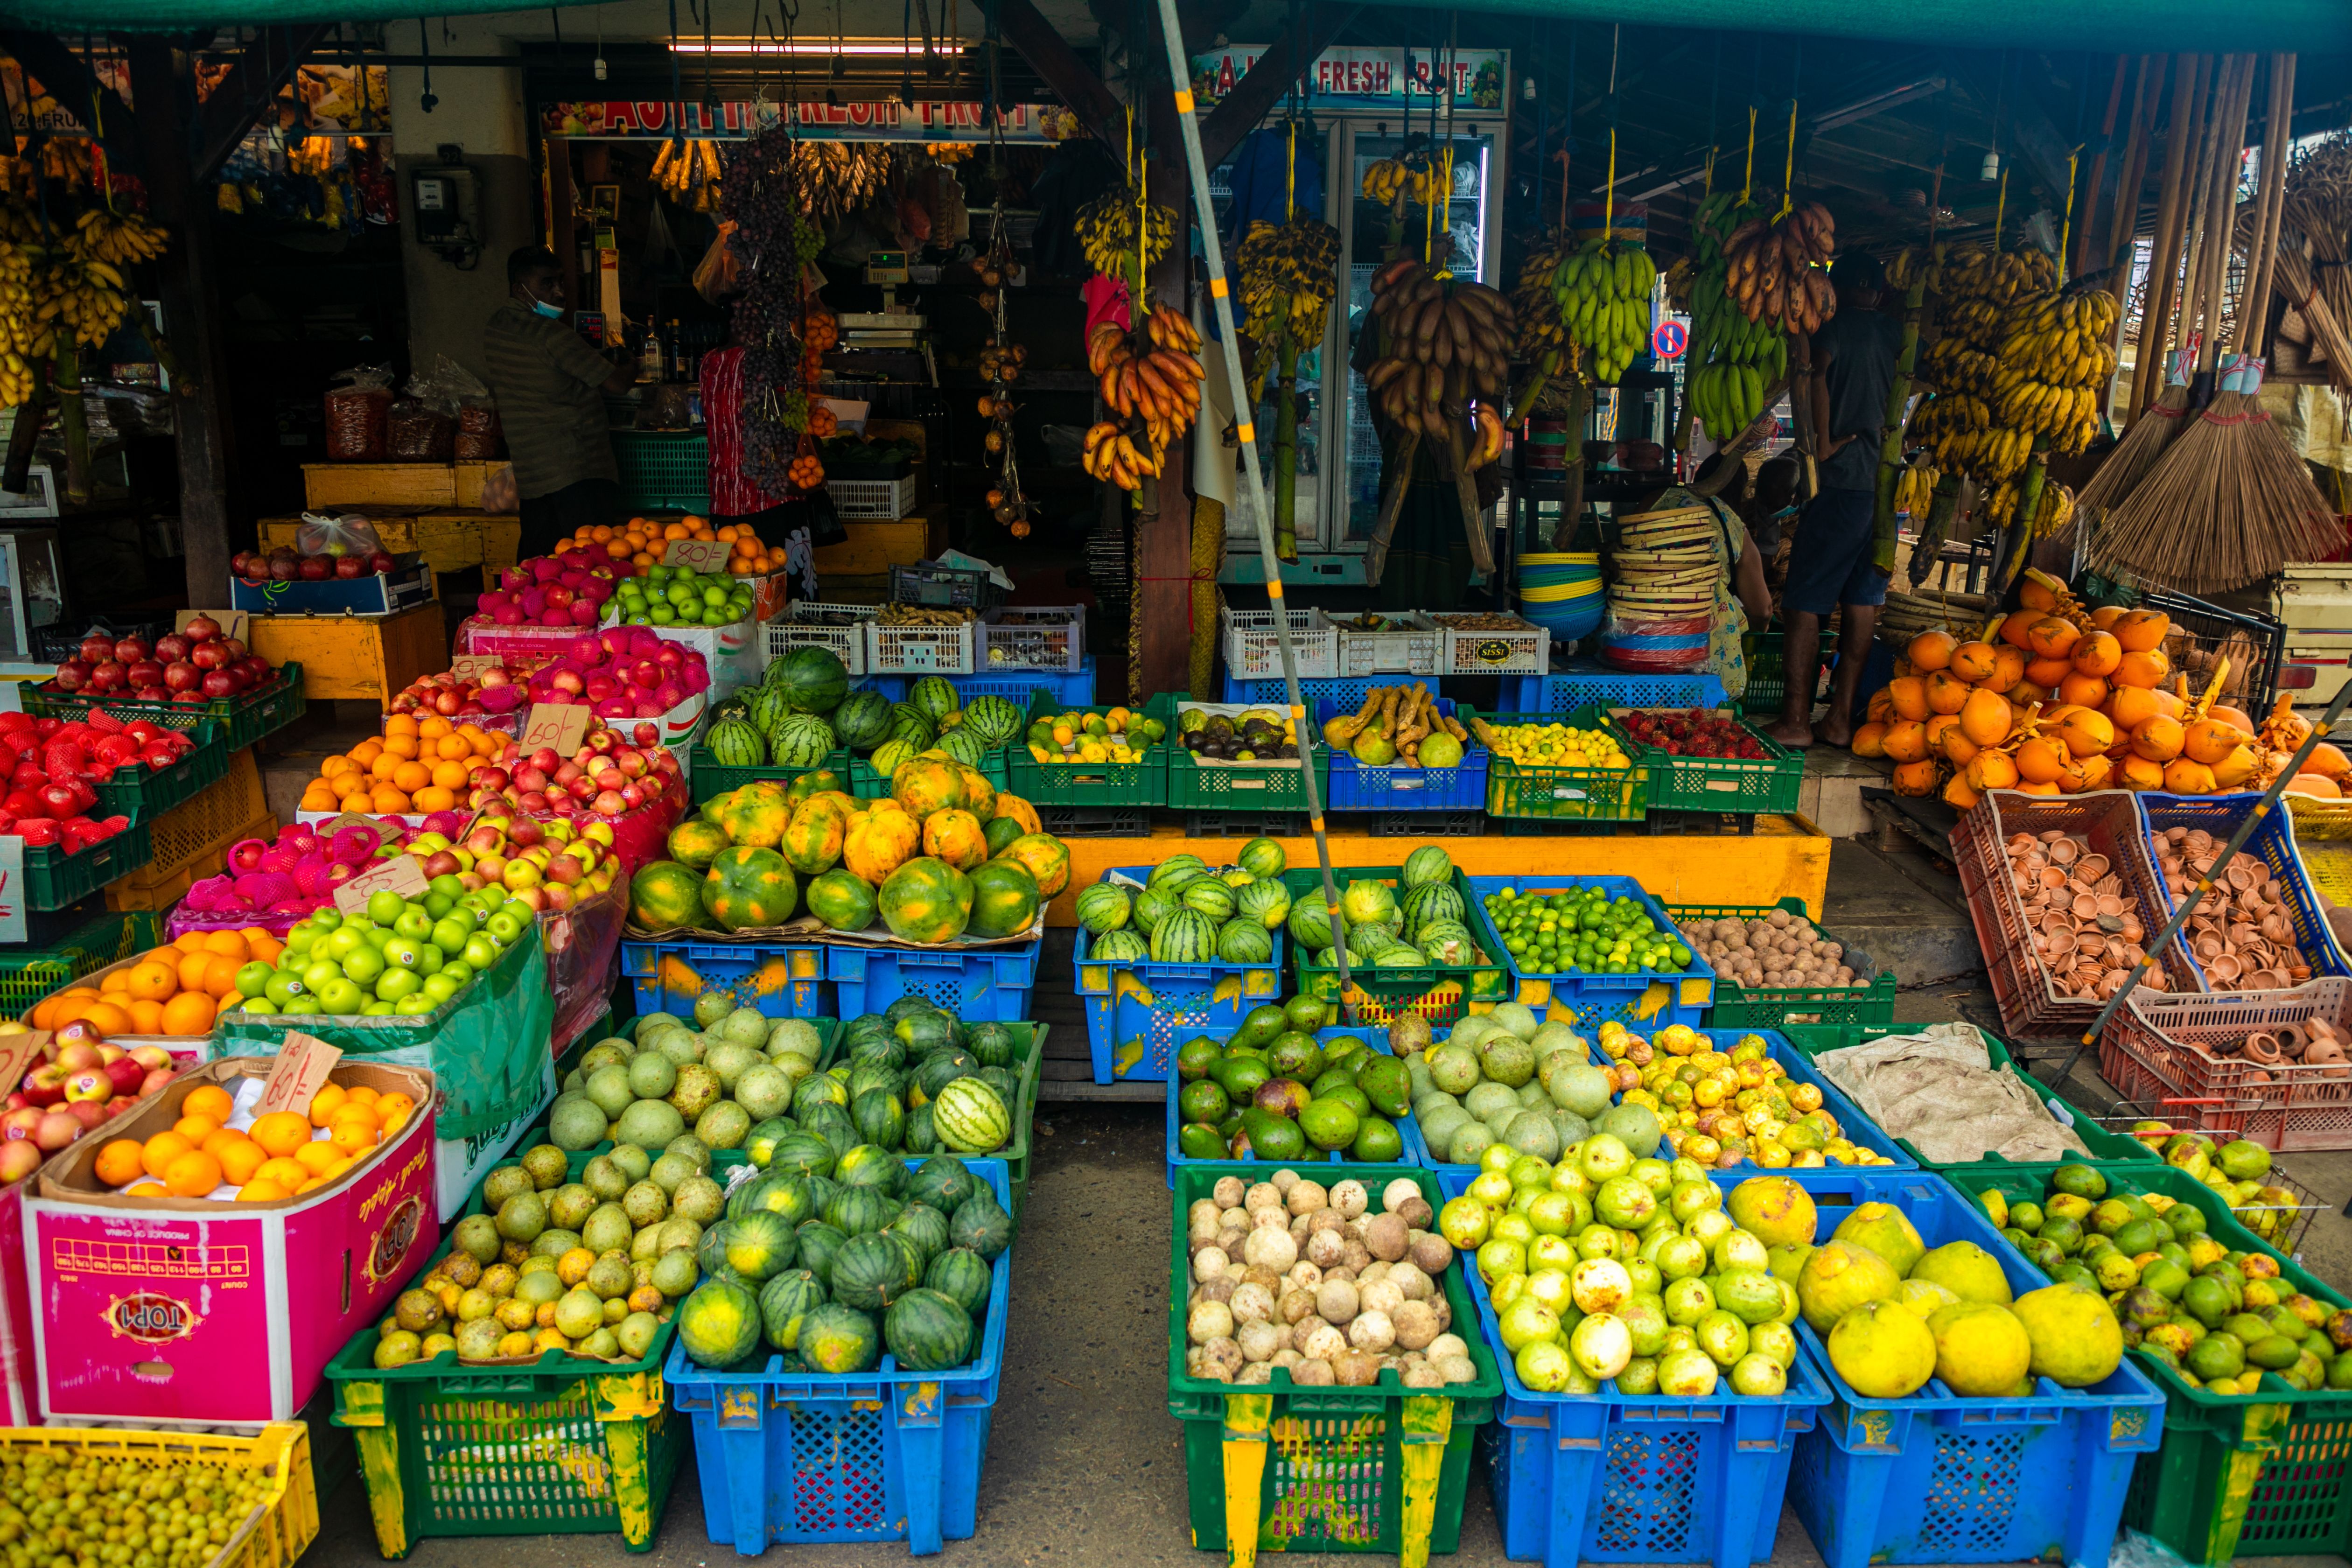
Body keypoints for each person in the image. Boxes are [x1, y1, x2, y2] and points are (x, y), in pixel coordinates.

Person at [1767, 251, 1902, 748]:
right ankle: (1841, 720)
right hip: (1884, 490)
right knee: (1863, 599)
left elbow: (1817, 372)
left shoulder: (1835, 329)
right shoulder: (1894, 335)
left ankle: (1797, 722)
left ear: (1835, 291)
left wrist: (1822, 440)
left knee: (1803, 601)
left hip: (1842, 482)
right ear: (1882, 293)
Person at [483, 246, 636, 560]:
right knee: (590, 565)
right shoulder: (552, 335)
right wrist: (632, 363)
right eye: (547, 284)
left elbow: (544, 368)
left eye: (561, 283)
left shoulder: (496, 328)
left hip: (533, 475)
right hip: (577, 470)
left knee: (540, 567)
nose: (559, 293)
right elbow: (618, 384)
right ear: (518, 289)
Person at [700, 322, 816, 602]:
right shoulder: (766, 359)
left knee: (735, 599)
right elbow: (782, 423)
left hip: (725, 500)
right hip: (772, 498)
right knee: (785, 601)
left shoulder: (709, 361)